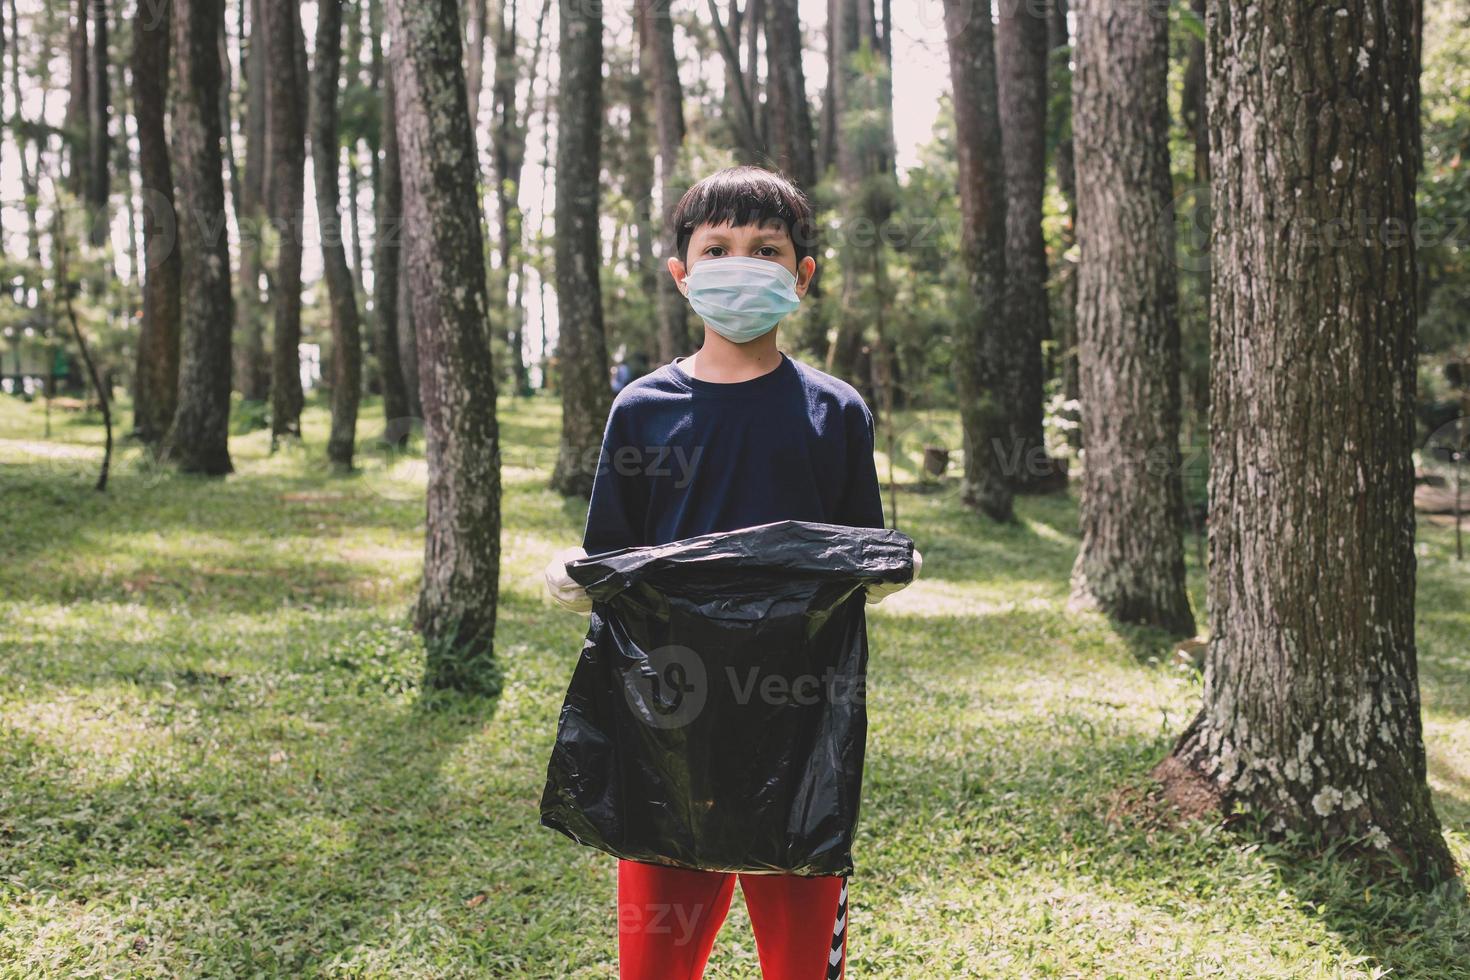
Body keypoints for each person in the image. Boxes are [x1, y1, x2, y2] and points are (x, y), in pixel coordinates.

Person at [544, 165, 922, 980]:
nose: (739, 263)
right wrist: (578, 576)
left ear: (802, 275)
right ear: (682, 273)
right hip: (668, 734)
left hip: (800, 731)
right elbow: (615, 560)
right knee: (654, 965)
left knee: (800, 965)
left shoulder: (836, 411)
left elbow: (854, 555)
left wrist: (890, 562)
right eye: (717, 248)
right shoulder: (642, 408)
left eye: (765, 248)